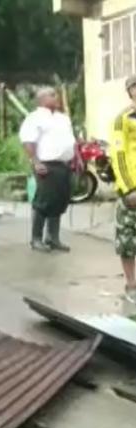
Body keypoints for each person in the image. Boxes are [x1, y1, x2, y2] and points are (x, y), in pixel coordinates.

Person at [19, 87, 77, 253]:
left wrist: (76, 158)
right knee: (43, 202)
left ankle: (53, 237)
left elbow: (71, 140)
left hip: (63, 165)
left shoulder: (63, 118)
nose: (57, 97)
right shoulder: (35, 118)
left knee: (59, 201)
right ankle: (36, 238)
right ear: (42, 99)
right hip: (46, 164)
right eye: (52, 95)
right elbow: (28, 141)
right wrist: (35, 162)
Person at [110, 76, 136, 303]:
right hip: (132, 189)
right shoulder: (122, 120)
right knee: (128, 241)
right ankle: (131, 285)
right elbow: (118, 156)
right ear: (130, 92)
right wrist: (128, 189)